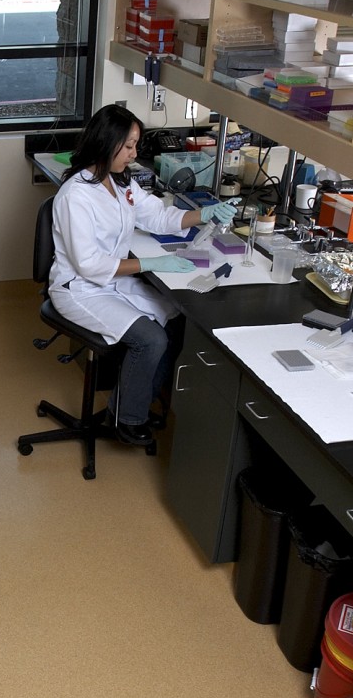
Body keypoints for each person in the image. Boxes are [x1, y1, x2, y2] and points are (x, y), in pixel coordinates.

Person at [49, 103, 234, 447]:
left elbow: (158, 218)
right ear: (108, 143)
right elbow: (89, 264)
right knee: (150, 339)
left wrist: (204, 214)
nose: (134, 154)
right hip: (78, 289)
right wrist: (150, 264)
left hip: (113, 282)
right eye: (130, 146)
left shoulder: (121, 182)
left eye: (135, 146)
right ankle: (128, 419)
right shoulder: (75, 196)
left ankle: (130, 404)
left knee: (176, 321)